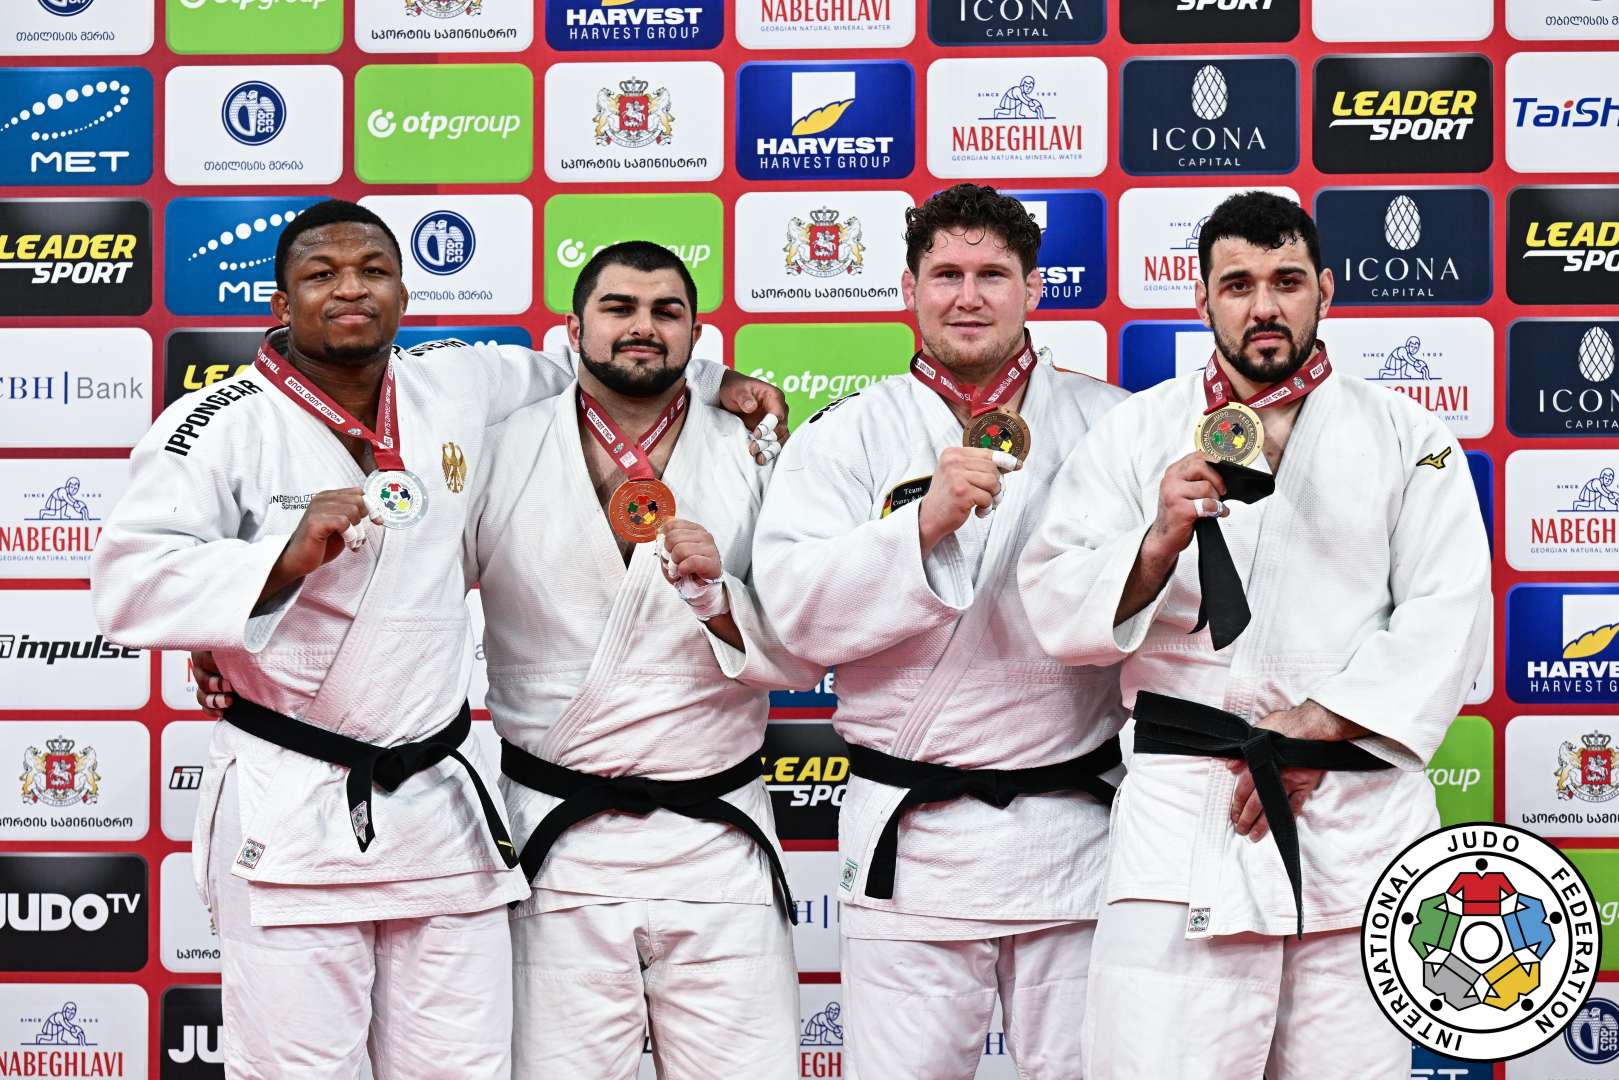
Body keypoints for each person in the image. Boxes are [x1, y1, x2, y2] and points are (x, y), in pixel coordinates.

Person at [90, 199, 785, 1080]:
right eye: (322, 274)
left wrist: (723, 381)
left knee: (462, 1069)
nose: (350, 289)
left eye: (373, 271)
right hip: (294, 800)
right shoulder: (219, 421)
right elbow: (124, 585)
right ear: (280, 296)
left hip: (436, 813)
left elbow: (604, 368)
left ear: (404, 290)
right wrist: (272, 566)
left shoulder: (455, 385)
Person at [1018, 191, 1491, 1079]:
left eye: (1284, 281)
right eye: (1237, 283)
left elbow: (1447, 610)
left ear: (1326, 290)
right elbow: (1053, 603)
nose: (1262, 306)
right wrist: (1157, 535)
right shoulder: (1138, 432)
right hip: (1188, 815)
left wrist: (1325, 723)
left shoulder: (1408, 436)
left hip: (1352, 820)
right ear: (1201, 298)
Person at [753, 183, 1126, 1079]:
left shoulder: (1113, 423)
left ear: (1033, 289)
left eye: (993, 274)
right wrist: (919, 527)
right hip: (911, 845)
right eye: (946, 273)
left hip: (1075, 830)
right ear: (907, 288)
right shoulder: (845, 437)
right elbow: (796, 616)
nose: (968, 295)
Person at [463, 242, 820, 1079]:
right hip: (558, 842)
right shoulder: (501, 448)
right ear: (573, 329)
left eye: (666, 312)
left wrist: (719, 596)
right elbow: (404, 592)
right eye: (619, 308)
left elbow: (805, 635)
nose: (642, 328)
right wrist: (236, 647)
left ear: (697, 335)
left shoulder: (752, 447)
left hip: (717, 837)